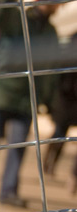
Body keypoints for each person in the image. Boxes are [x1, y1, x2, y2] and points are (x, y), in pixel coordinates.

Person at [0, 0, 60, 207]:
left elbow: (50, 70)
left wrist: (46, 98)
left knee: (18, 146)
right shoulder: (18, 18)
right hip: (4, 90)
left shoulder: (51, 32)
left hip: (28, 98)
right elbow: (1, 14)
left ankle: (8, 190)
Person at [44, 33, 77, 181]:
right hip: (65, 99)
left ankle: (55, 166)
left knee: (62, 136)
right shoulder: (71, 43)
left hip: (73, 101)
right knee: (59, 133)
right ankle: (47, 162)